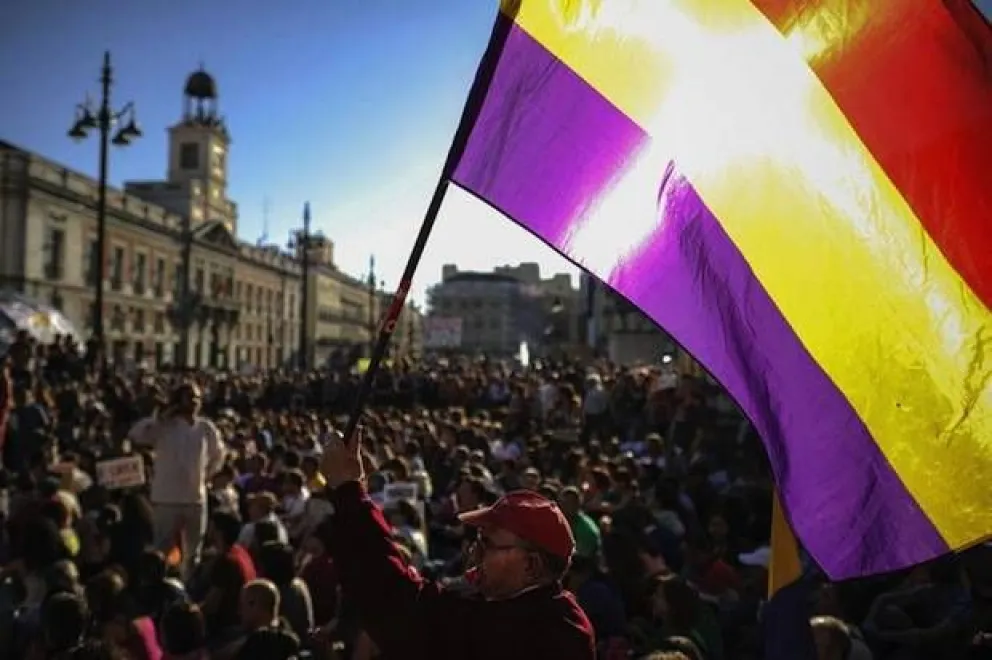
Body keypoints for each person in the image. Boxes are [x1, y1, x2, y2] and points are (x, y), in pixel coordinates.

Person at [320, 427, 596, 660]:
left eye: (488, 543)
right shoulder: (524, 609)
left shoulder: (540, 631)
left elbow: (401, 603)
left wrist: (349, 492)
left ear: (531, 565)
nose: (475, 551)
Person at [129, 383, 226, 577]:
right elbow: (137, 436)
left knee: (192, 553)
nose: (194, 402)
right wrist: (160, 417)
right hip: (167, 498)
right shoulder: (164, 426)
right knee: (162, 549)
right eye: (189, 397)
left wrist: (206, 476)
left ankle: (188, 586)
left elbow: (219, 455)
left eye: (197, 398)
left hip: (195, 499)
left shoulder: (206, 428)